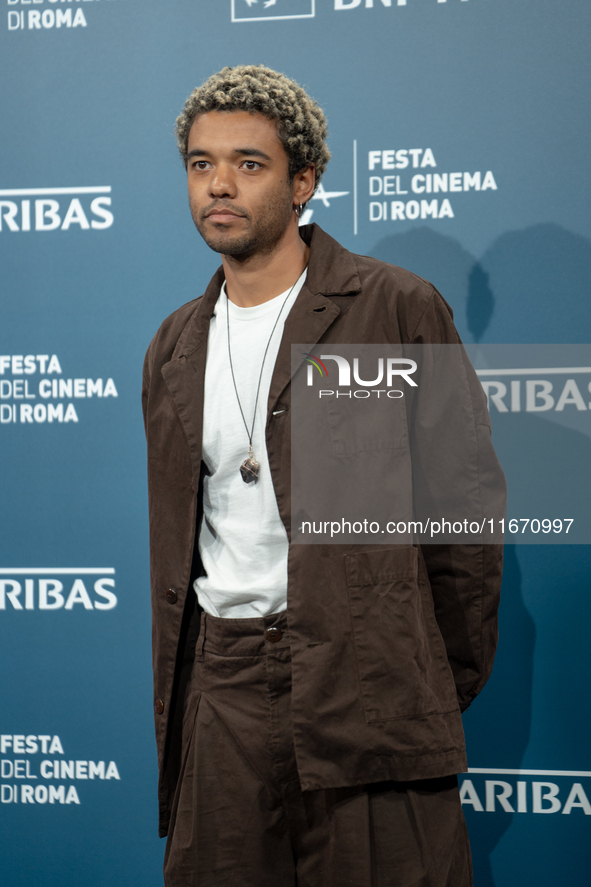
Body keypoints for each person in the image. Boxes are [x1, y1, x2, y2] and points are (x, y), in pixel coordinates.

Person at [142, 64, 505, 887]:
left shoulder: (395, 306)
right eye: (200, 165)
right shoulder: (173, 344)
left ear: (303, 180)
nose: (219, 185)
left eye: (248, 163)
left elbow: (466, 512)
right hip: (223, 691)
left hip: (370, 679)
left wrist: (421, 677)